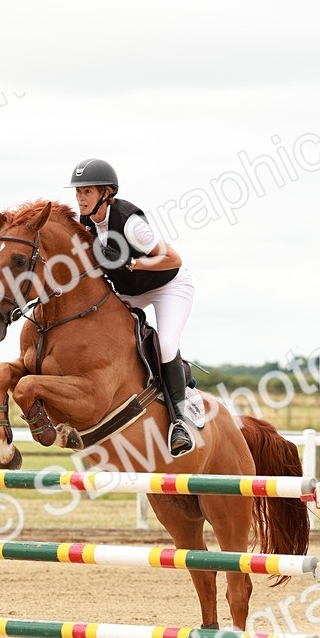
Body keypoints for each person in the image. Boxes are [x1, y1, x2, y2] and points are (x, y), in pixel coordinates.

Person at [67, 157, 196, 457]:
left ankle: (179, 422)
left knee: (165, 343)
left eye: (87, 191)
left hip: (169, 287)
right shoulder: (86, 224)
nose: (80, 198)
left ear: (106, 193)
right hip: (131, 292)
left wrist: (130, 262)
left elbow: (172, 259)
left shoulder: (131, 223)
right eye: (78, 192)